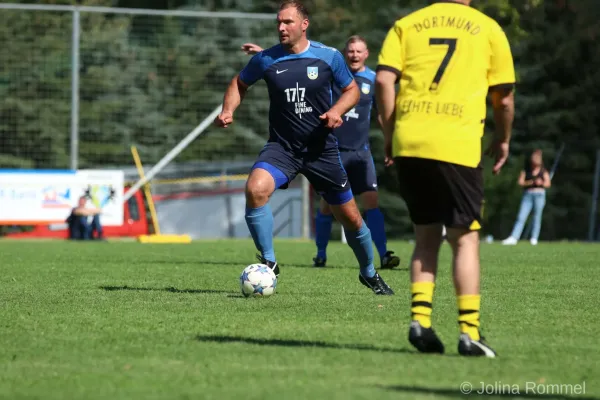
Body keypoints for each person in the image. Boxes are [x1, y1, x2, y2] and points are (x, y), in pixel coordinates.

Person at [214, 0, 394, 295]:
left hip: (321, 149)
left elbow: (350, 90)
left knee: (351, 218)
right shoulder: (267, 59)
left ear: (304, 24)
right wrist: (228, 110)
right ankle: (269, 262)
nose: (281, 28)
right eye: (279, 22)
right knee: (255, 189)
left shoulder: (328, 57)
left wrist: (336, 111)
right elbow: (239, 83)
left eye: (287, 22)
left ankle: (369, 273)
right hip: (282, 148)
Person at [376, 0, 515, 356]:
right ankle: (469, 331)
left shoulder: (407, 24)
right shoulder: (487, 28)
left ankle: (420, 323)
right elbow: (504, 99)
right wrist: (503, 139)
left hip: (411, 142)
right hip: (456, 144)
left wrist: (390, 133)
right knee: (464, 239)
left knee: (425, 236)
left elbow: (383, 79)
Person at [240, 36, 401, 270]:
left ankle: (383, 254)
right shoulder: (332, 73)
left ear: (367, 54)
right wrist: (266, 54)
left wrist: (390, 140)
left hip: (360, 152)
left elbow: (381, 113)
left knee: (369, 203)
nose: (354, 55)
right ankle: (321, 254)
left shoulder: (373, 80)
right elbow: (297, 69)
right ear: (346, 53)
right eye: (351, 51)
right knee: (330, 206)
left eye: (359, 51)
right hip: (330, 149)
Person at [502, 149, 551, 245]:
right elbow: (520, 182)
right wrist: (531, 182)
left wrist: (541, 183)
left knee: (537, 217)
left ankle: (534, 238)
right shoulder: (526, 170)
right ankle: (514, 237)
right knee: (521, 216)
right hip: (528, 195)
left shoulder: (543, 171)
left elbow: (548, 183)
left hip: (539, 195)